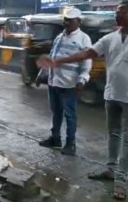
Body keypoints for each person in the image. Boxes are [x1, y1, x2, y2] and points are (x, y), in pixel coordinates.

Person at [37, 0, 128, 200]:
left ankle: (121, 181)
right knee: (114, 134)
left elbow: (85, 57)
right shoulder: (110, 38)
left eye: (122, 12)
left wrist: (80, 78)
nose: (118, 16)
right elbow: (87, 54)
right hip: (112, 94)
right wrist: (57, 61)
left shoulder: (86, 37)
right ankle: (111, 169)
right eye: (116, 12)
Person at [38, 8, 92, 156]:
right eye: (65, 20)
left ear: (78, 22)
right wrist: (41, 74)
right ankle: (55, 138)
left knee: (70, 115)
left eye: (70, 20)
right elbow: (51, 57)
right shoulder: (59, 37)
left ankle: (70, 143)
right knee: (56, 113)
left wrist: (82, 79)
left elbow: (86, 62)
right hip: (54, 82)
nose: (66, 23)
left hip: (69, 84)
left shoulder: (83, 39)